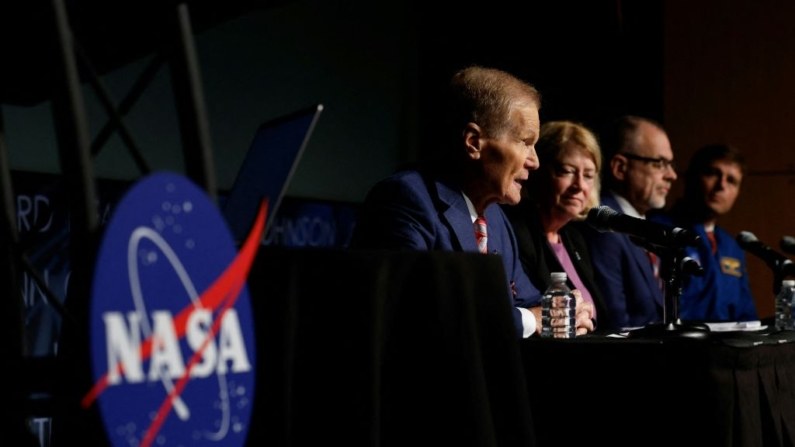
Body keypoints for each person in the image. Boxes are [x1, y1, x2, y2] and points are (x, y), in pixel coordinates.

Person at [349, 65, 594, 338]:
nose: (534, 161)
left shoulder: (496, 217)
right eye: (525, 142)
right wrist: (528, 320)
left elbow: (530, 303)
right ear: (474, 142)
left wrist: (562, 312)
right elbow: (416, 310)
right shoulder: (404, 200)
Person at [503, 120, 611, 330]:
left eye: (588, 176)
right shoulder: (518, 231)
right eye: (567, 171)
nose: (579, 185)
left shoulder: (574, 237)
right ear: (538, 172)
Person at [581, 115, 677, 330]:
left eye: (670, 164)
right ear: (620, 168)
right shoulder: (605, 227)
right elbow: (616, 324)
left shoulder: (645, 225)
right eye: (659, 163)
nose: (672, 175)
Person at [650, 143, 757, 322]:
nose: (721, 185)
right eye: (713, 174)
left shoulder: (732, 246)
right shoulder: (657, 230)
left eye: (731, 181)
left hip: (730, 346)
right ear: (691, 177)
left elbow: (747, 316)